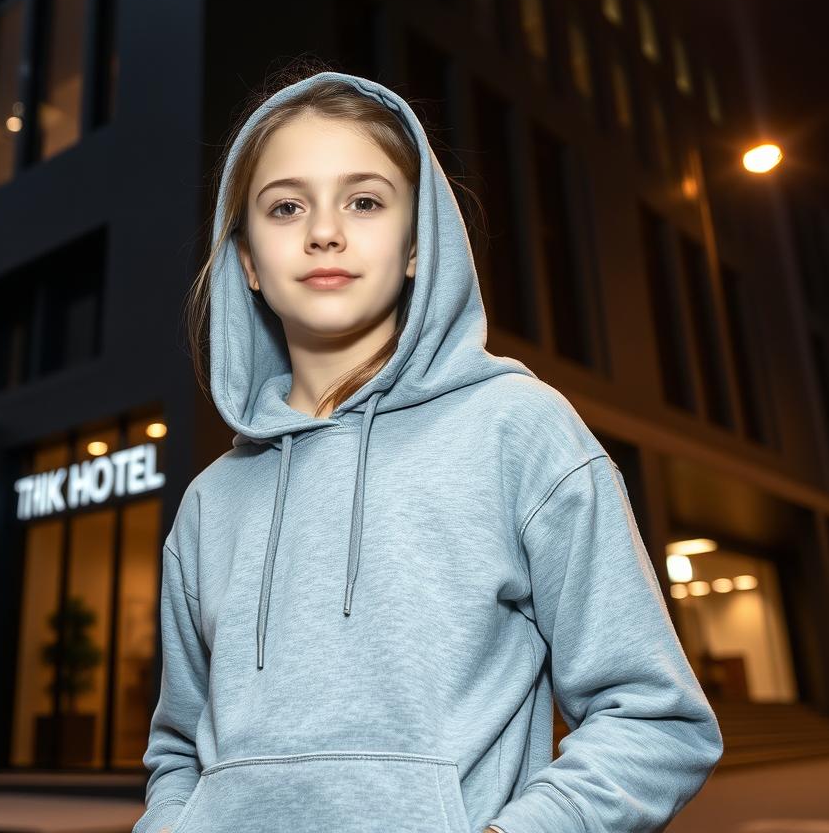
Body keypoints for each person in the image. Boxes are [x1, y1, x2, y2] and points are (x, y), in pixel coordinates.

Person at [133, 65, 724, 833]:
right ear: (246, 260)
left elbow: (656, 719)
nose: (324, 231)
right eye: (285, 206)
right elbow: (179, 749)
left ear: (419, 245)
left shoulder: (518, 429)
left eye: (365, 200)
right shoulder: (211, 501)